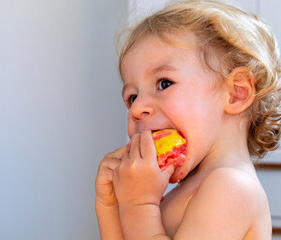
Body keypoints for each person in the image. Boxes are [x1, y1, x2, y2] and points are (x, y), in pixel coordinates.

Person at [95, 0, 281, 239]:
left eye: (164, 83)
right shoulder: (188, 191)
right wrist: (110, 206)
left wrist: (138, 205)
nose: (137, 108)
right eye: (132, 97)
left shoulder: (232, 187)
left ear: (236, 93)